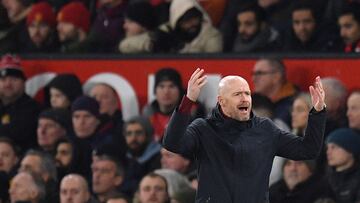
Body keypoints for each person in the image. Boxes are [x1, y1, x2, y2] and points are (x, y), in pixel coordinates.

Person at [163, 68, 326, 202]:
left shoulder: (265, 129)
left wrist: (317, 113)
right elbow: (172, 143)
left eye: (247, 93)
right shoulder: (203, 129)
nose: (244, 99)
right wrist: (188, 101)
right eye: (237, 94)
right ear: (222, 101)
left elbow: (308, 150)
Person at [0, 54, 41, 152]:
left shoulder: (33, 109)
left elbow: (15, 136)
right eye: (3, 79)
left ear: (24, 83)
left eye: (14, 79)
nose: (8, 84)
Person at [252, 58, 299, 126]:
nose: (253, 79)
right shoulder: (254, 101)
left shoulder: (293, 104)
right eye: (253, 74)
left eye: (259, 73)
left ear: (276, 76)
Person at [325, 128, 360, 203]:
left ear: (350, 151)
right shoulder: (323, 179)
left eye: (334, 147)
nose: (328, 152)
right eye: (328, 148)